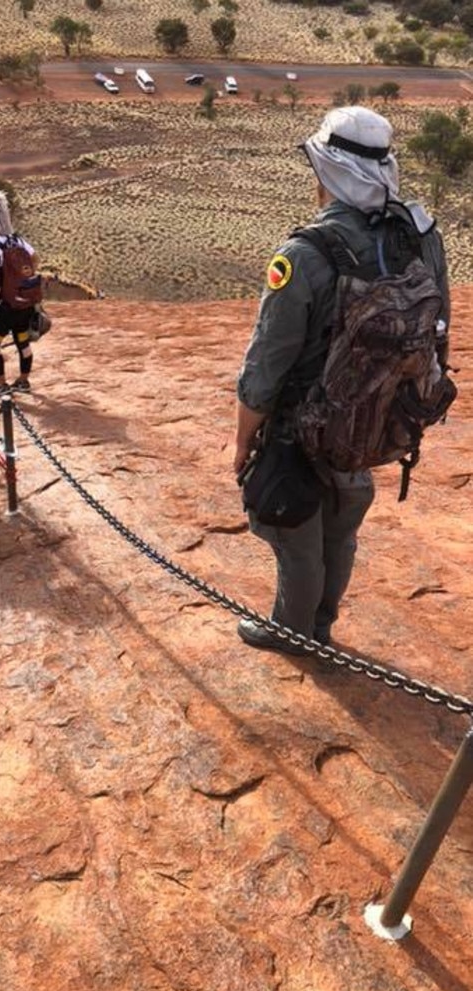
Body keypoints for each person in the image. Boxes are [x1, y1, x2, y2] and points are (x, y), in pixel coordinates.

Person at [234, 106, 450, 654]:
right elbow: (438, 327)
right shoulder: (420, 237)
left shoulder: (303, 255)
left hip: (301, 428)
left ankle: (293, 632)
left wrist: (242, 439)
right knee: (342, 529)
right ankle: (322, 625)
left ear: (327, 172)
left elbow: (267, 363)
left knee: (295, 534)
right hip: (378, 423)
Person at [0, 190, 38, 397]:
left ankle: (2, 384)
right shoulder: (19, 241)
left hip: (5, 306)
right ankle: (23, 380)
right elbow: (35, 258)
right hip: (24, 303)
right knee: (23, 340)